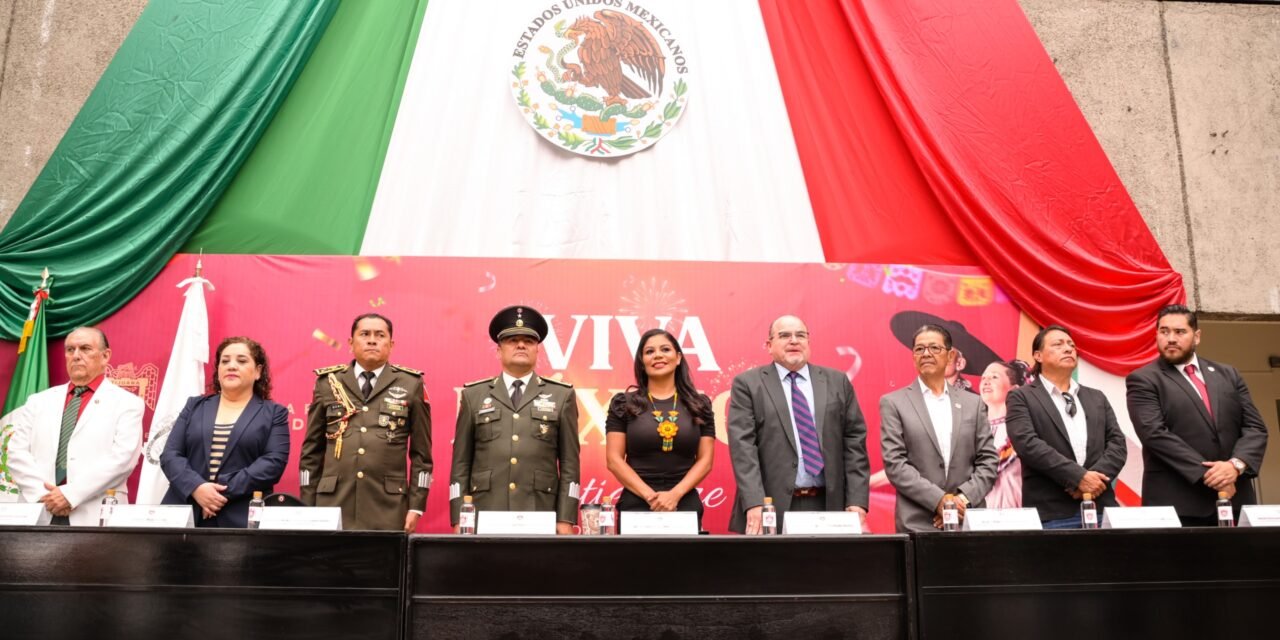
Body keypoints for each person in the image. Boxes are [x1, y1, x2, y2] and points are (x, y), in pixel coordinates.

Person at [1126, 304, 1268, 526]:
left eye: (1180, 332)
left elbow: (1255, 428)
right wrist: (1214, 476)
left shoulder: (1228, 374)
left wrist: (1234, 466)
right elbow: (1155, 434)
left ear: (1197, 336)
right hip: (1177, 505)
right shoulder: (1143, 379)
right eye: (1164, 331)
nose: (1171, 338)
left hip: (1235, 499)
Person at [728, 315, 870, 534]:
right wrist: (754, 502)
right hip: (771, 506)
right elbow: (743, 447)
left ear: (808, 342)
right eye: (784, 335)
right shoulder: (748, 384)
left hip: (830, 504)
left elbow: (854, 443)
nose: (793, 341)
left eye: (800, 335)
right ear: (769, 345)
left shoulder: (837, 381)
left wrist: (857, 501)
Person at [450, 306, 581, 534]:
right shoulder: (473, 395)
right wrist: (460, 516)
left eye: (528, 341)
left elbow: (570, 464)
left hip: (540, 510)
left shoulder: (562, 395)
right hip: (486, 509)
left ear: (537, 350)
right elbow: (461, 464)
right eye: (512, 340)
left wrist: (566, 518)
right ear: (499, 350)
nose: (521, 345)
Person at [300, 313, 433, 532]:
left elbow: (422, 455)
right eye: (365, 334)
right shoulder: (327, 383)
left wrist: (416, 506)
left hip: (388, 508)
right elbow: (311, 451)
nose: (372, 340)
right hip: (332, 504)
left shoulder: (411, 383)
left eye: (380, 335)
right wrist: (307, 503)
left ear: (391, 344)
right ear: (351, 343)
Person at [6, 327, 142, 525]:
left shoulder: (127, 403)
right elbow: (16, 453)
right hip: (39, 510)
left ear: (105, 356)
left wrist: (70, 495)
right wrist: (46, 497)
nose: (76, 356)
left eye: (85, 348)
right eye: (70, 350)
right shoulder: (38, 401)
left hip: (94, 514)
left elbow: (122, 459)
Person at [160, 337, 290, 527]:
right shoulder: (194, 406)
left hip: (240, 518)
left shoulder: (273, 414)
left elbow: (272, 463)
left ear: (258, 372)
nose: (231, 366)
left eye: (242, 361)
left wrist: (216, 493)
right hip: (185, 512)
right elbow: (171, 455)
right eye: (225, 361)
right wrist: (196, 487)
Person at [1006, 325, 1127, 528]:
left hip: (1101, 508)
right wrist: (1077, 477)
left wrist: (1092, 483)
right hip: (1052, 513)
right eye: (1058, 344)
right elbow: (1027, 444)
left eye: (1071, 344)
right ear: (1038, 355)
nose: (1069, 348)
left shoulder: (1096, 397)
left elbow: (1117, 444)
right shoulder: (1021, 397)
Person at [881, 324, 998, 532]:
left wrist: (960, 501)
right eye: (919, 349)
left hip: (968, 520)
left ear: (950, 355)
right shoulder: (894, 402)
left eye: (934, 348)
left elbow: (988, 461)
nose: (926, 354)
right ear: (913, 356)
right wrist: (939, 500)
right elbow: (895, 464)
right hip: (918, 523)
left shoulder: (974, 403)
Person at [605, 328, 716, 526]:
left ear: (678, 357)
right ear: (642, 361)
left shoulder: (700, 405)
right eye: (649, 351)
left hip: (684, 500)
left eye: (665, 349)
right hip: (637, 500)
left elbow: (705, 460)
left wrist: (674, 495)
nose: (658, 355)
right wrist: (651, 497)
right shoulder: (623, 403)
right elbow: (614, 460)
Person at [979, 360, 1030, 509]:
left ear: (1014, 389)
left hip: (1018, 514)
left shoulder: (1024, 429)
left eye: (994, 377)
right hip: (980, 517)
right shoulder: (972, 430)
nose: (986, 381)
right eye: (983, 378)